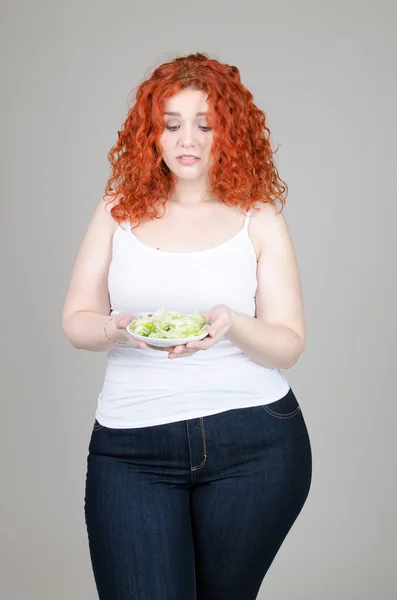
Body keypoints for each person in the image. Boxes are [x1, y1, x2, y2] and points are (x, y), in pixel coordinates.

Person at [62, 52, 312, 600]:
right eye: (171, 125)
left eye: (205, 124)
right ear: (151, 134)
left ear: (231, 133)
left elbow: (287, 344)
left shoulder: (260, 218)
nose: (187, 140)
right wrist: (117, 331)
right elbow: (77, 321)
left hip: (255, 444)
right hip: (132, 449)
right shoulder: (116, 211)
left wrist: (232, 326)